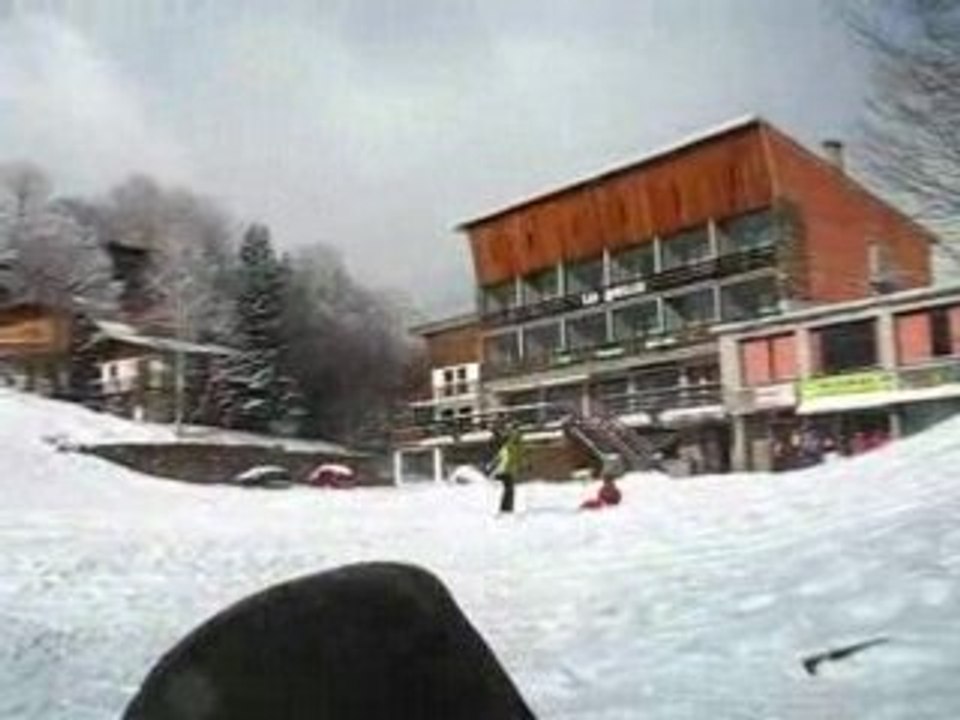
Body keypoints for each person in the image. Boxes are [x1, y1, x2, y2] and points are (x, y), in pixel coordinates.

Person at [491, 426, 523, 514]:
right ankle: (506, 509)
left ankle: (507, 508)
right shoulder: (509, 445)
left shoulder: (512, 445)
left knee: (509, 490)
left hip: (507, 470)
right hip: (504, 470)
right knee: (509, 489)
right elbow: (503, 457)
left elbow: (516, 457)